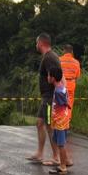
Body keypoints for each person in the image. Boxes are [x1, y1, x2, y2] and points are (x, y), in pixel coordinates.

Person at [27, 33, 62, 166]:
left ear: (41, 43)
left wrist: (58, 96)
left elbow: (57, 77)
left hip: (49, 97)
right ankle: (40, 153)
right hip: (47, 97)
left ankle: (56, 157)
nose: (36, 46)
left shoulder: (49, 58)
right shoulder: (50, 57)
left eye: (36, 43)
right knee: (40, 123)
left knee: (49, 126)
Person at [48, 71, 72, 175]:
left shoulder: (58, 91)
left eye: (49, 75)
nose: (47, 77)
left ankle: (63, 167)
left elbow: (64, 103)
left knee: (61, 144)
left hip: (60, 122)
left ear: (53, 78)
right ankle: (63, 163)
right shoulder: (61, 87)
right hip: (60, 120)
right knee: (59, 143)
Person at [59, 44, 81, 110]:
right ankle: (68, 119)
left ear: (64, 51)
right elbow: (77, 76)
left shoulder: (58, 60)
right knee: (69, 104)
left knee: (60, 104)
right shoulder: (76, 62)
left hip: (60, 84)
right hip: (71, 85)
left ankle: (60, 119)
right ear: (72, 52)